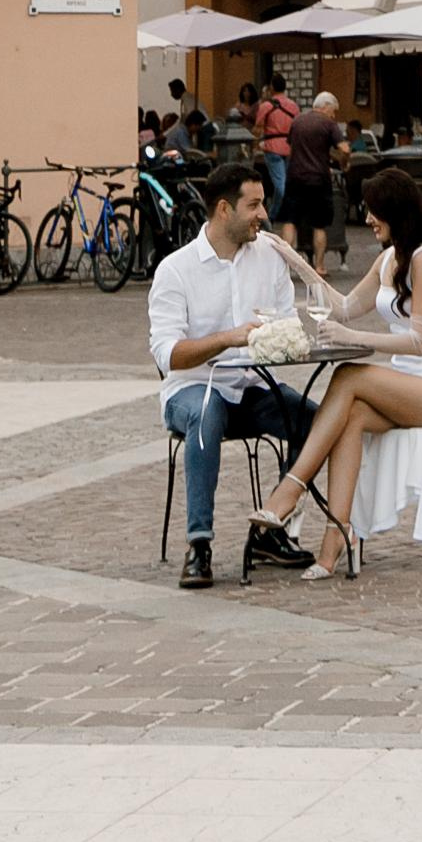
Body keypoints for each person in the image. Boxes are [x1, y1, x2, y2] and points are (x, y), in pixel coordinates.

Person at [249, 165, 422, 575]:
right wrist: (295, 261)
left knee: (349, 374)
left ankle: (288, 492)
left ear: (395, 212)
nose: (366, 219)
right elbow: (343, 306)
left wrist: (356, 340)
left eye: (373, 211)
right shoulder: (388, 260)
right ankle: (337, 536)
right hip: (403, 385)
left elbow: (419, 342)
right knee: (351, 417)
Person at [145, 160, 317, 590]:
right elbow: (168, 355)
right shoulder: (176, 270)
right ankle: (199, 545)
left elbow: (282, 325)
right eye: (254, 205)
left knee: (318, 420)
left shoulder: (270, 258)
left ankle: (270, 532)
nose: (263, 214)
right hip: (194, 389)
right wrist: (227, 339)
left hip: (254, 388)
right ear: (224, 209)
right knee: (207, 412)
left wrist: (288, 340)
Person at [282, 87, 345, 273]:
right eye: (333, 111)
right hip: (318, 179)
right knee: (319, 225)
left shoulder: (297, 121)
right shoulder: (328, 124)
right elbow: (344, 148)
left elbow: (290, 148)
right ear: (325, 107)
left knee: (290, 220)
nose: (333, 115)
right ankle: (319, 266)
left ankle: (284, 266)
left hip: (294, 177)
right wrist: (343, 161)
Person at [254, 73, 297, 224]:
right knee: (285, 183)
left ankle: (272, 215)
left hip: (272, 147)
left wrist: (255, 145)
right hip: (290, 147)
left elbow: (258, 127)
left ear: (272, 87)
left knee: (280, 185)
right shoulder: (293, 106)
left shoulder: (266, 106)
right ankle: (283, 213)